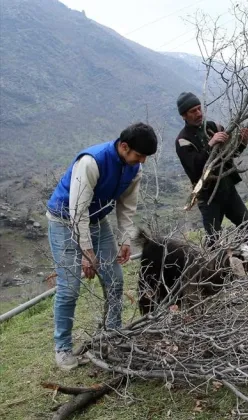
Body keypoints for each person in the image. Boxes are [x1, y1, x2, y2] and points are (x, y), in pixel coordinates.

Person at [46, 123, 157, 370]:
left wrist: (125, 240)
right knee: (70, 287)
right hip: (65, 221)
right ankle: (62, 348)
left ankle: (112, 334)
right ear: (124, 146)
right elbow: (77, 212)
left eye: (145, 157)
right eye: (139, 155)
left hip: (97, 220)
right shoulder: (91, 162)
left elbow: (127, 206)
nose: (142, 161)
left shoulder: (134, 167)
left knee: (115, 280)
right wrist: (87, 253)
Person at [175, 92, 248, 248]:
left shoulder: (213, 127)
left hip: (227, 189)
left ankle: (239, 259)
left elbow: (231, 154)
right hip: (208, 196)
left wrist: (242, 142)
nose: (198, 113)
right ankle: (214, 270)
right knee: (214, 241)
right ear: (184, 116)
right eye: (193, 111)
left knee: (247, 226)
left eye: (199, 109)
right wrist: (210, 144)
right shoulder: (182, 140)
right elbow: (195, 168)